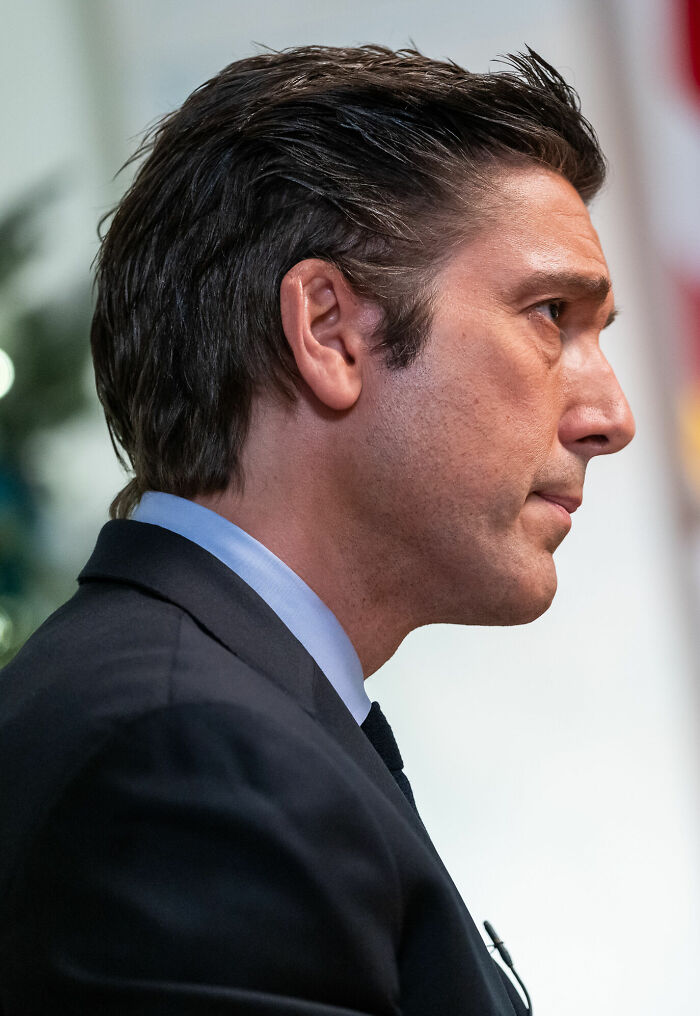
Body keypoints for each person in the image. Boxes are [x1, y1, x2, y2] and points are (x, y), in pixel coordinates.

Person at [0, 44, 635, 1015]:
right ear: (329, 331)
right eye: (551, 314)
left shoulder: (211, 709)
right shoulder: (187, 751)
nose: (611, 415)